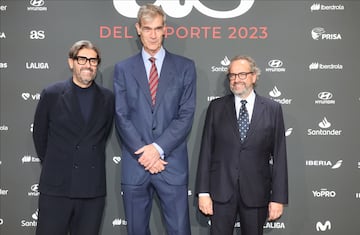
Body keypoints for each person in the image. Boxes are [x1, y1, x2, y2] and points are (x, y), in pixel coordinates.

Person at [113, 4, 196, 235]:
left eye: (158, 28)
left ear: (165, 30)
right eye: (147, 28)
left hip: (171, 164)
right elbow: (121, 115)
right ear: (138, 29)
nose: (152, 35)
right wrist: (145, 152)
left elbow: (186, 115)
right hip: (136, 165)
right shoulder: (123, 69)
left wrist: (157, 149)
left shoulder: (185, 67)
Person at [195, 55, 288, 235]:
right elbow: (206, 151)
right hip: (220, 192)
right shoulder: (216, 107)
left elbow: (280, 155)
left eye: (242, 74)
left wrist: (278, 198)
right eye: (232, 75)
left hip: (256, 192)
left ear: (254, 76)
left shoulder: (272, 109)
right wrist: (203, 192)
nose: (236, 80)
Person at [32, 40, 114, 235]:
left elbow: (102, 135)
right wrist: (57, 163)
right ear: (71, 62)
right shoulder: (52, 94)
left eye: (93, 61)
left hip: (92, 190)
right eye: (82, 59)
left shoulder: (108, 98)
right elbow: (39, 136)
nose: (88, 64)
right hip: (56, 188)